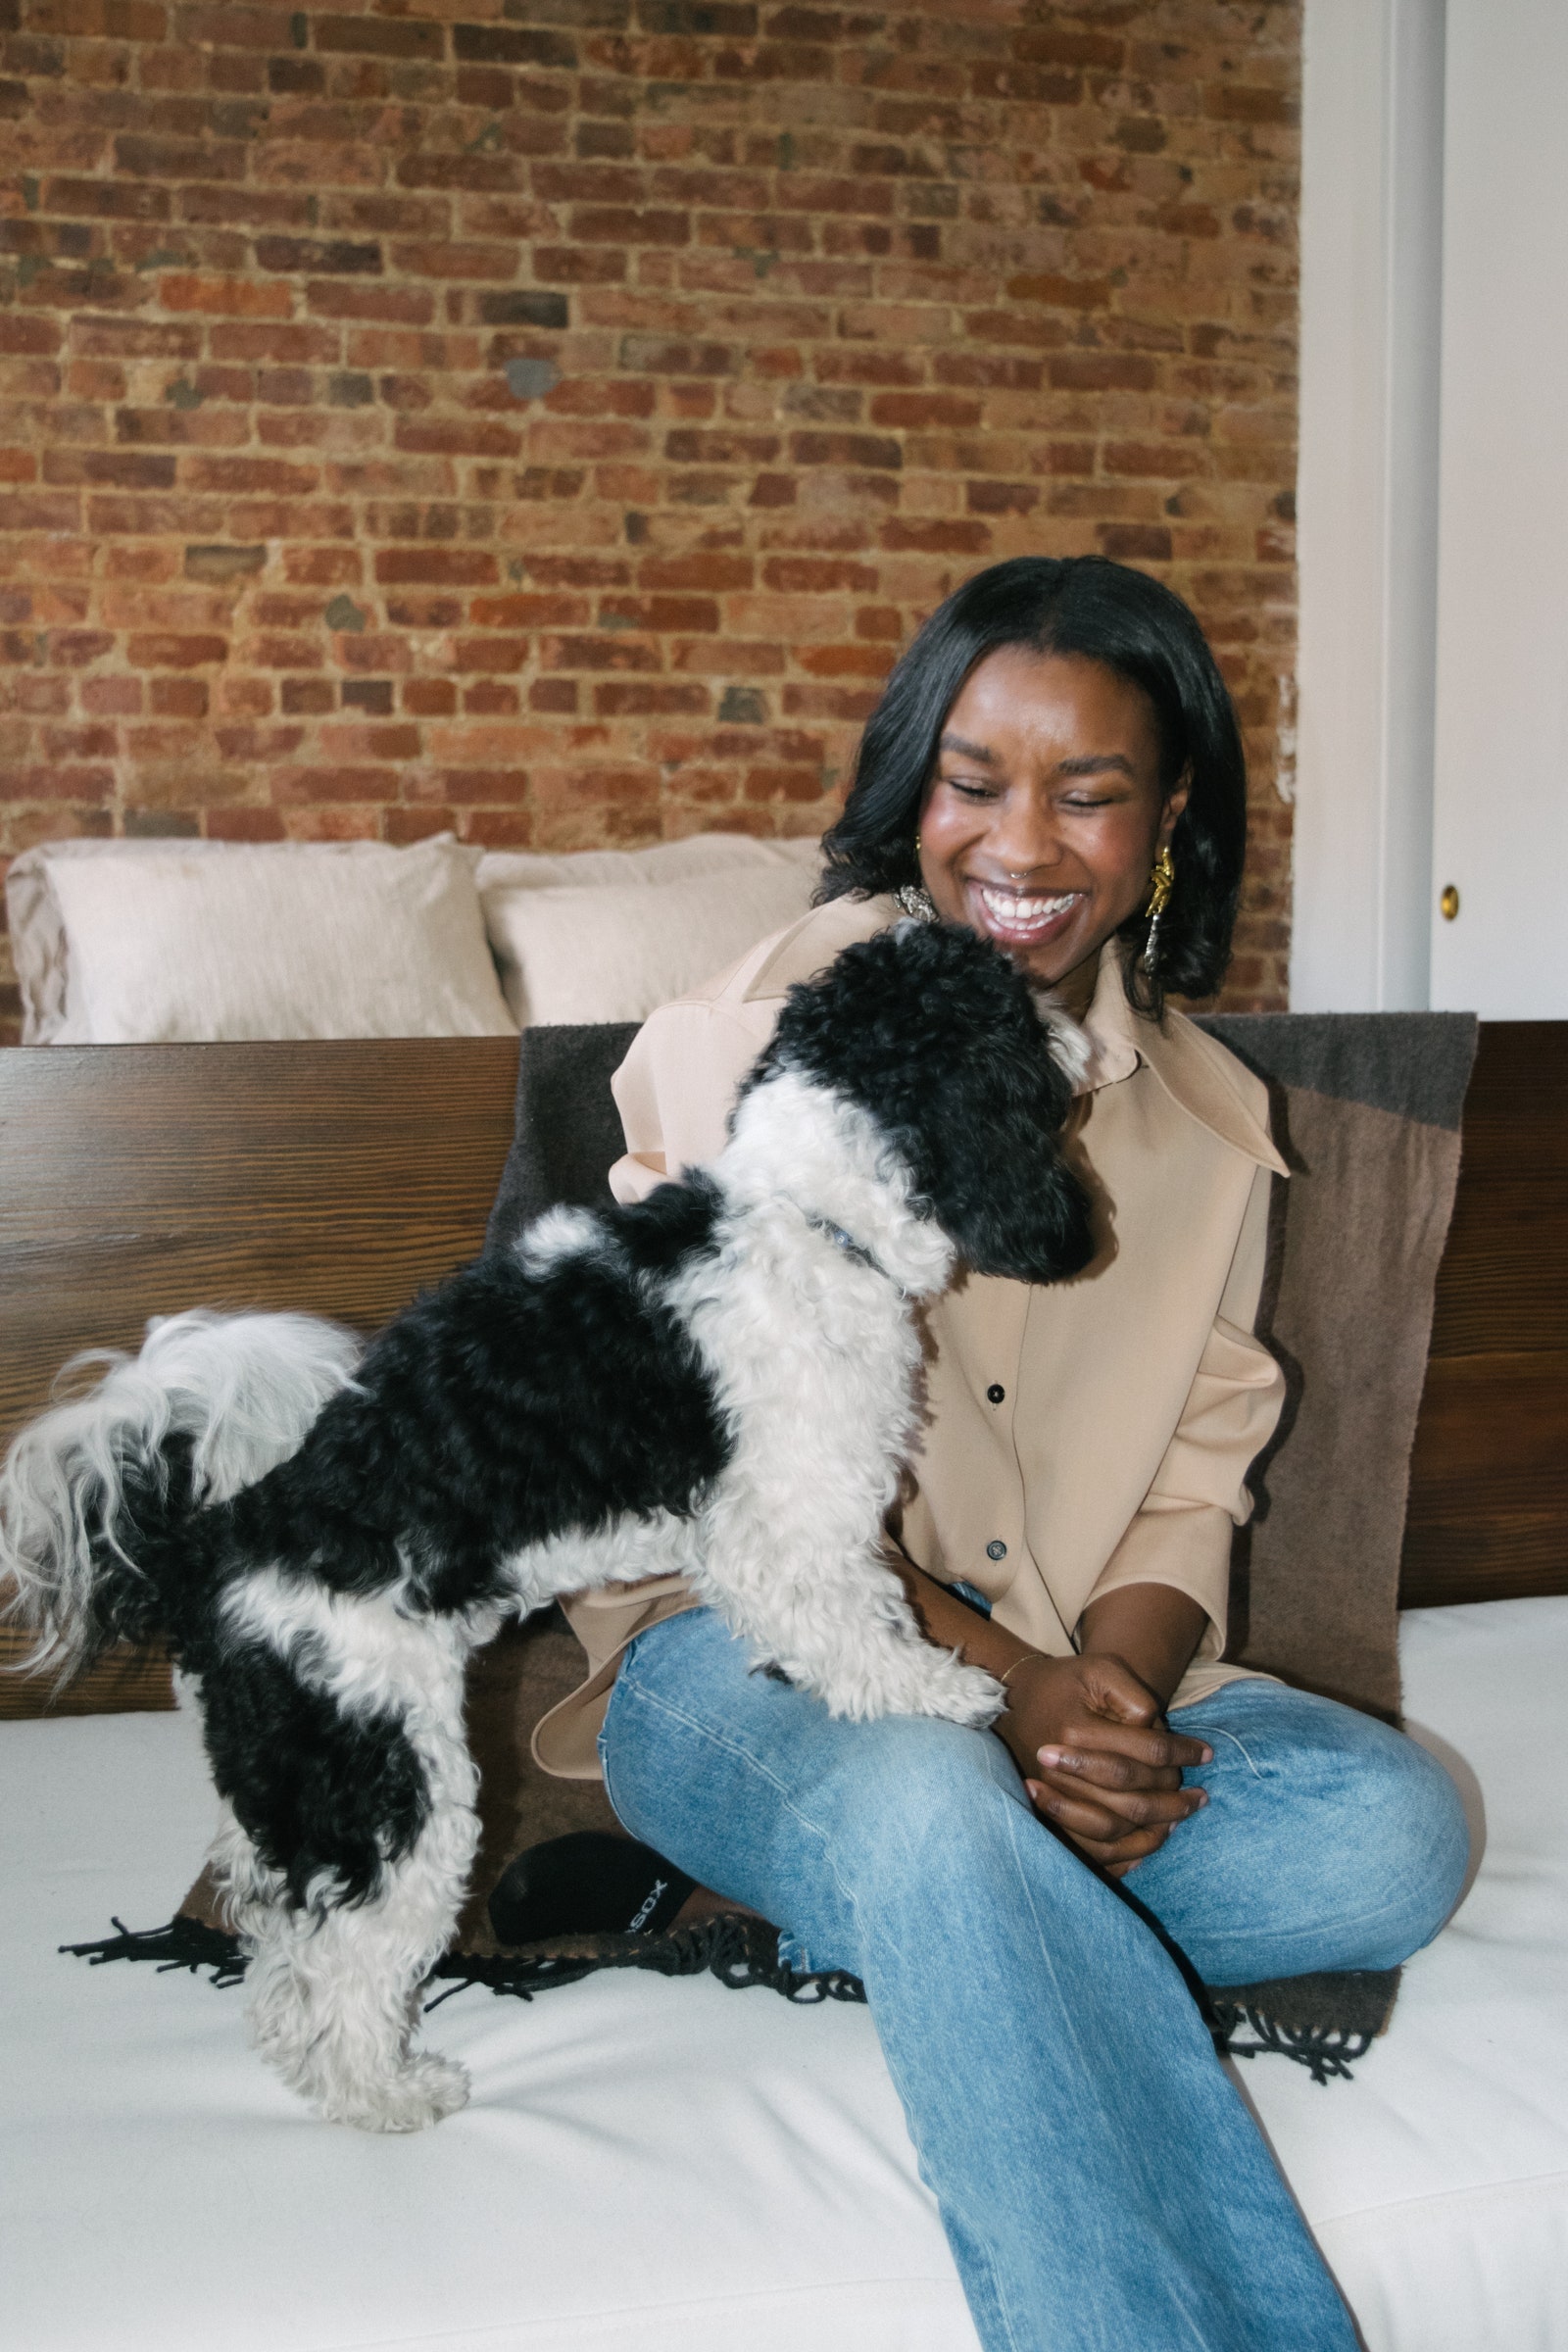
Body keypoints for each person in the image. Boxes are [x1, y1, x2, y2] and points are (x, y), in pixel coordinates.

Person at [536, 556, 1470, 2350]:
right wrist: (1011, 1697)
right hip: (744, 1657)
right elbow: (740, 1477)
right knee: (919, 1789)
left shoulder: (1216, 1126)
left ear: (1167, 818)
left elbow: (1203, 1469)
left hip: (1036, 1688)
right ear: (912, 784)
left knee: (1391, 1830)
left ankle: (905, 1903)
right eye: (974, 780)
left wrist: (1103, 1703)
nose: (1019, 841)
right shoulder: (755, 1045)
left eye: (1089, 789)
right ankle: (918, 1861)